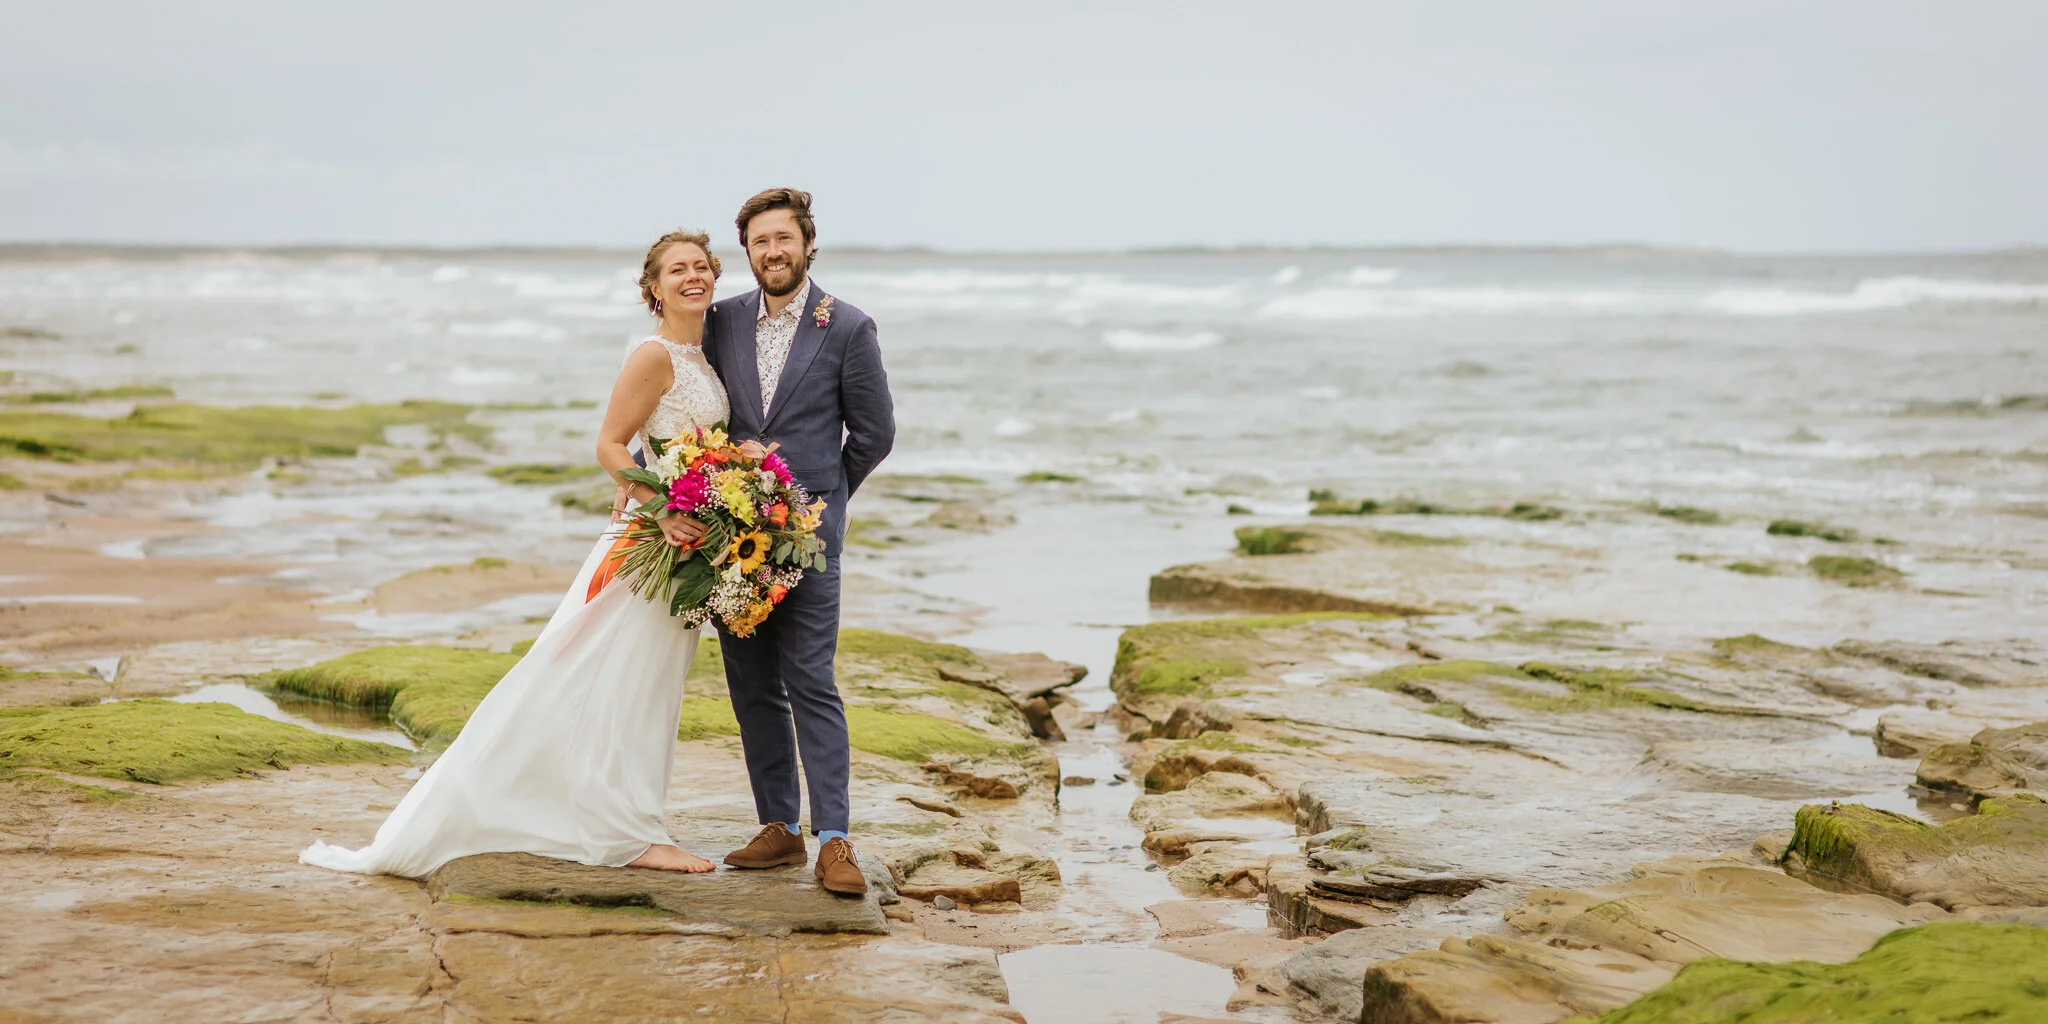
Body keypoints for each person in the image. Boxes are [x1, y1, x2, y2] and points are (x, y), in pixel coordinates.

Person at [298, 230, 732, 878]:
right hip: (652, 540)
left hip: (684, 546)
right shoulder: (653, 355)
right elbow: (611, 445)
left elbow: (685, 446)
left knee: (644, 686)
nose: (692, 277)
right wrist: (661, 504)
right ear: (653, 287)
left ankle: (632, 820)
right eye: (677, 270)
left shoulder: (700, 355)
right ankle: (628, 835)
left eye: (701, 266)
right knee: (609, 680)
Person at [696, 188, 895, 896]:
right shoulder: (719, 322)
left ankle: (835, 839)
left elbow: (874, 435)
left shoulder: (848, 327)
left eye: (784, 238)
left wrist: (817, 501)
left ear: (808, 244)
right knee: (750, 688)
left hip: (809, 541)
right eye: (759, 242)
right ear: (746, 253)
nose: (772, 252)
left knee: (811, 681)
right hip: (732, 542)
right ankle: (778, 826)